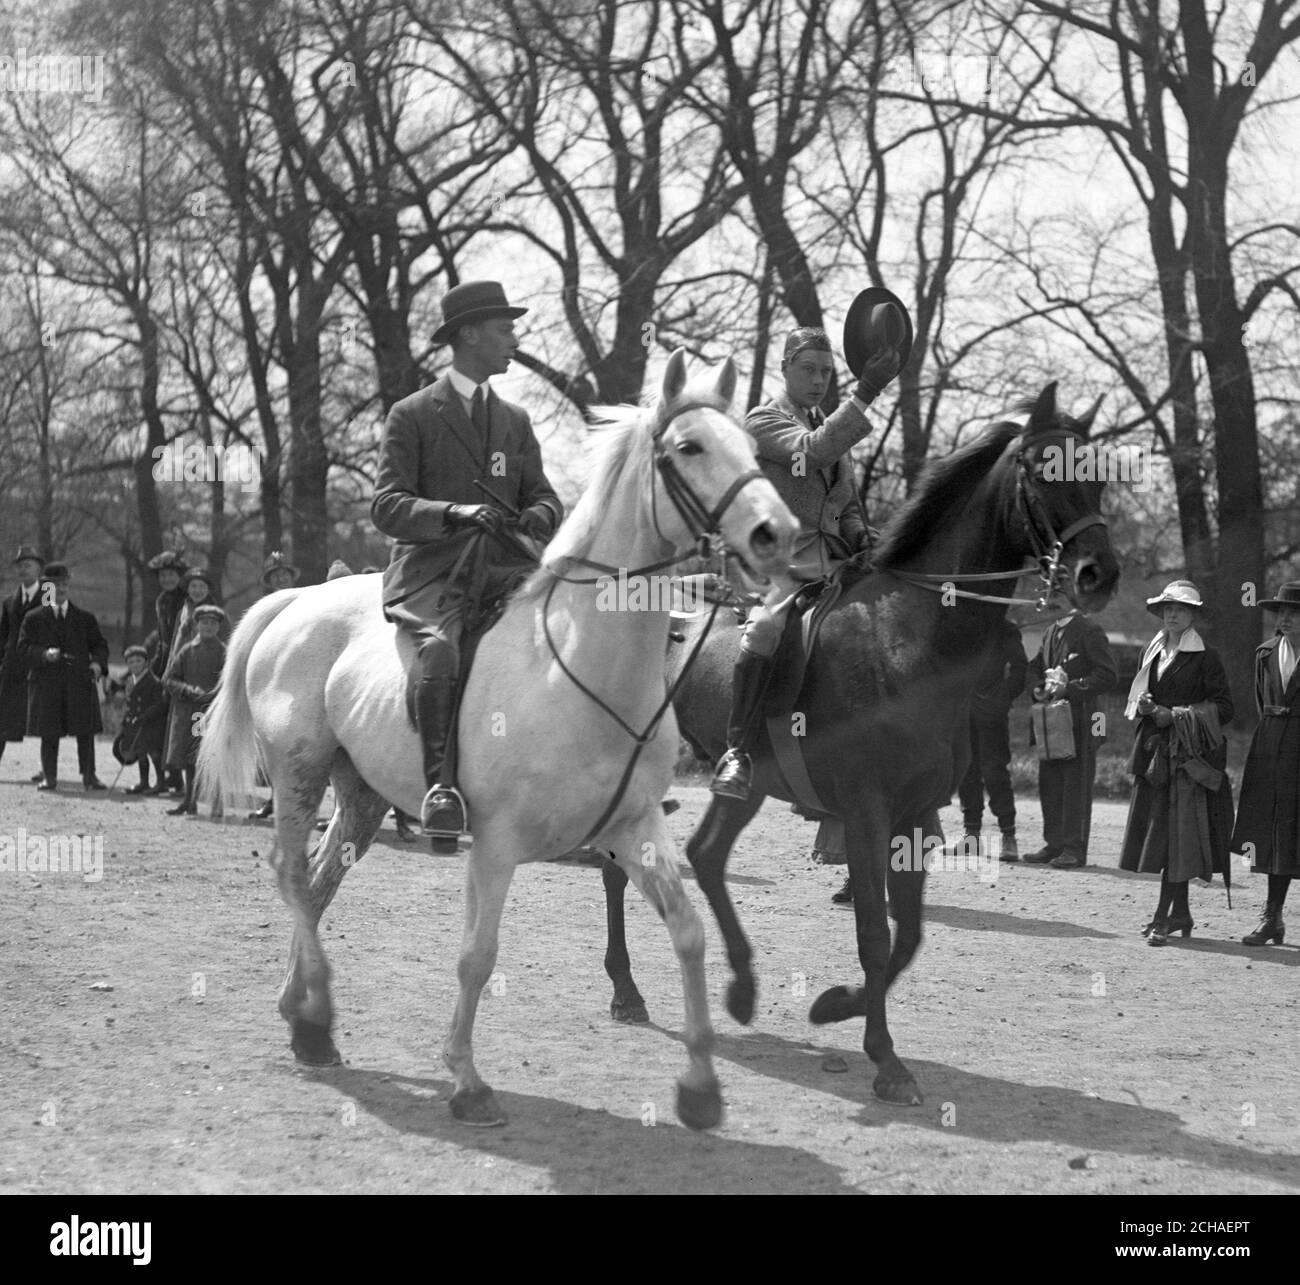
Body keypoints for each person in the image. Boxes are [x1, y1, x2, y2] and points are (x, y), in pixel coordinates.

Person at [370, 280, 564, 845]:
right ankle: (441, 790)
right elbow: (386, 505)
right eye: (505, 330)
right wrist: (454, 511)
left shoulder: (515, 420)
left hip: (507, 567)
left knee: (572, 636)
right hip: (435, 572)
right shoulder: (411, 415)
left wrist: (538, 516)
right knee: (441, 649)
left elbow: (546, 497)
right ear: (469, 334)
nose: (513, 340)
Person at [710, 320, 903, 800]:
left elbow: (847, 505)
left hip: (835, 563)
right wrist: (865, 393)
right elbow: (810, 453)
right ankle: (737, 752)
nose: (819, 380)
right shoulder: (762, 420)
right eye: (808, 369)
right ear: (784, 369)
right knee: (767, 629)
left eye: (826, 372)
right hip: (780, 565)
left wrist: (863, 537)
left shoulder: (827, 424)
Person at [1117, 581, 1235, 944]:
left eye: (1181, 609)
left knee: (1175, 837)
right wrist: (1147, 706)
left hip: (1185, 758)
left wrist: (1176, 715)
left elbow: (1226, 708)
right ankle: (1179, 912)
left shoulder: (1205, 656)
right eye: (1167, 607)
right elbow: (1139, 698)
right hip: (1154, 754)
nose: (1172, 614)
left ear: (1193, 614)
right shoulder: (1152, 651)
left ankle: (1163, 916)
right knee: (1164, 836)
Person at [1024, 592, 1117, 868]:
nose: (1050, 601)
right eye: (1047, 596)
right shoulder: (1051, 631)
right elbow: (1037, 668)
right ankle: (1054, 845)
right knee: (1050, 783)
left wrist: (1072, 688)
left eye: (1057, 595)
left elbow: (1108, 675)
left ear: (1072, 597)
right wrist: (1038, 689)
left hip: (1081, 721)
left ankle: (1074, 849)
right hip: (1052, 723)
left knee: (1075, 785)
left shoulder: (1089, 629)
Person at [1231, 580, 1300, 947]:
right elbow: (1263, 703)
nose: (1285, 619)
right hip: (1272, 745)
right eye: (1281, 613)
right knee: (1274, 835)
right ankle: (1272, 916)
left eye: (1293, 613)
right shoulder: (1265, 653)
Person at [17, 561, 109, 791]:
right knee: (49, 732)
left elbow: (100, 646)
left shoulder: (84, 618)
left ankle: (89, 776)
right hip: (47, 683)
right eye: (54, 585)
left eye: (65, 584)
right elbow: (22, 649)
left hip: (78, 682)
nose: (60, 589)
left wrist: (97, 665)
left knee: (85, 732)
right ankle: (49, 776)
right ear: (46, 587)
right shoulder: (34, 618)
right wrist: (43, 654)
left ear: (70, 586)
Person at [954, 616, 1029, 860]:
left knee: (994, 771)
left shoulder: (1005, 628)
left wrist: (1004, 697)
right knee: (967, 771)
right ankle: (971, 836)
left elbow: (1020, 667)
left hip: (992, 712)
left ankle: (1009, 837)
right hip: (964, 710)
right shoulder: (963, 625)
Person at [161, 568, 225, 794]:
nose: (197, 590)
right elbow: (171, 667)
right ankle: (183, 791)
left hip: (205, 702)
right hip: (185, 689)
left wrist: (211, 692)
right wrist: (184, 687)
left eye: (202, 586)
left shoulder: (221, 648)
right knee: (182, 743)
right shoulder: (184, 612)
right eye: (193, 586)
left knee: (202, 747)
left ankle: (207, 793)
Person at [0, 544, 45, 776]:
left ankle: (47, 769)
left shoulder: (48, 596)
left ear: (38, 568)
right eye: (20, 566)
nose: (23, 570)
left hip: (37, 665)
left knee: (42, 717)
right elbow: (3, 635)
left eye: (28, 565)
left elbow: (55, 629)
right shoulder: (9, 602)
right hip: (11, 668)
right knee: (3, 716)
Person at [146, 550, 189, 793]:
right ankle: (164, 776)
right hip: (164, 661)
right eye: (163, 575)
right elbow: (162, 637)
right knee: (158, 723)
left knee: (183, 723)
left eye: (172, 574)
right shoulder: (161, 600)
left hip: (183, 662)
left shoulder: (187, 599)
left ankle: (186, 778)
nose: (168, 580)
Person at [111, 644, 168, 794]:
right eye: (131, 662)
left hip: (151, 724)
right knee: (140, 752)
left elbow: (160, 703)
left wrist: (146, 716)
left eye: (138, 661)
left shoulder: (153, 682)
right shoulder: (130, 681)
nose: (135, 664)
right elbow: (130, 704)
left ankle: (161, 783)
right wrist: (126, 721)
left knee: (154, 753)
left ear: (146, 662)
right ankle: (144, 782)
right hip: (135, 723)